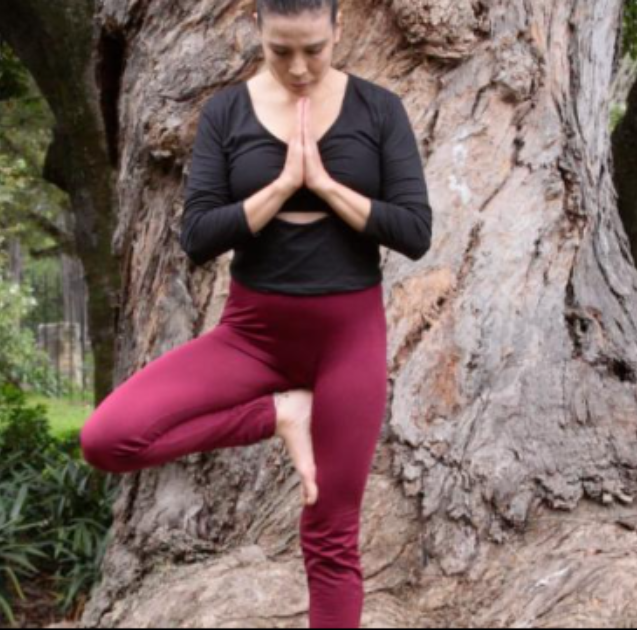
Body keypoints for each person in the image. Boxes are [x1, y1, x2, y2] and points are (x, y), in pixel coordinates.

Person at [77, 0, 433, 627]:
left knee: (330, 535)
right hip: (251, 335)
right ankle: (280, 413)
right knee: (108, 439)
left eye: (315, 50)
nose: (299, 67)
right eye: (281, 50)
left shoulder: (379, 110)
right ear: (256, 32)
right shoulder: (227, 113)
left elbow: (412, 230)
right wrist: (278, 187)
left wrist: (323, 185)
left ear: (339, 28)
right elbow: (199, 236)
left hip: (348, 339)